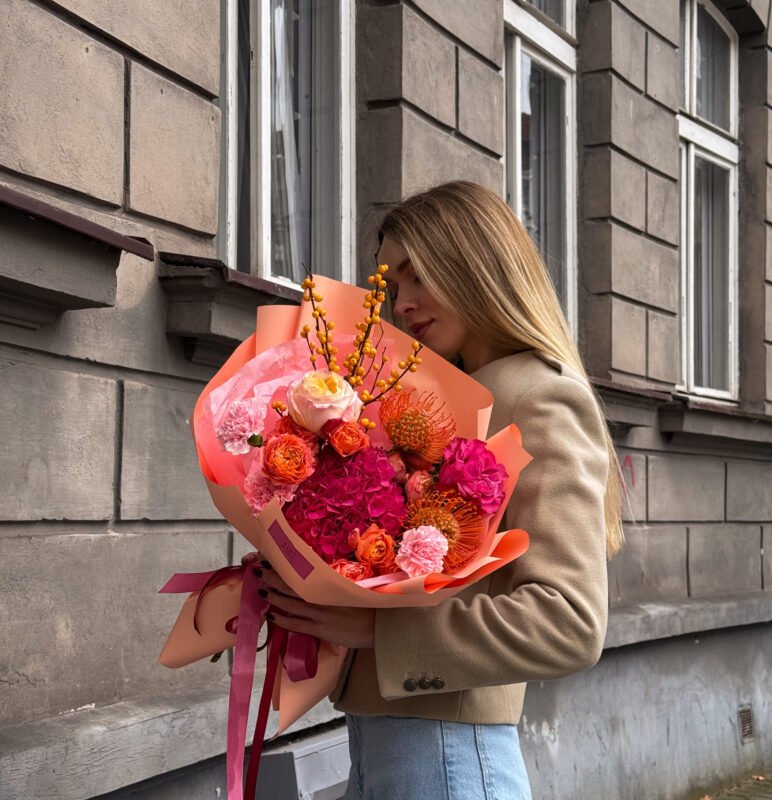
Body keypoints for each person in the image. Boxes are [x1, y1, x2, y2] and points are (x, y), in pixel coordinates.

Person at [257, 181, 625, 799]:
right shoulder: (442, 397)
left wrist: (376, 631)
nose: (402, 305)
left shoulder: (537, 394)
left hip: (449, 755)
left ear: (474, 265)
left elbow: (569, 621)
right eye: (394, 286)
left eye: (417, 276)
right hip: (388, 747)